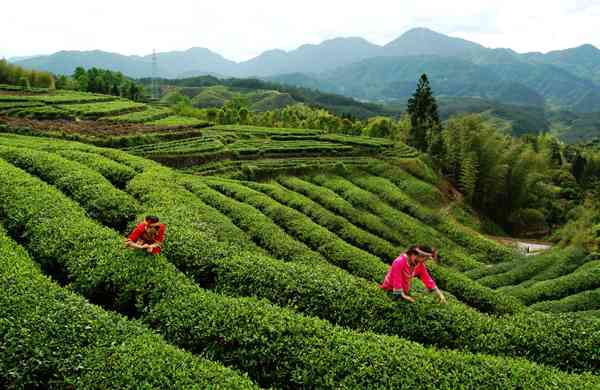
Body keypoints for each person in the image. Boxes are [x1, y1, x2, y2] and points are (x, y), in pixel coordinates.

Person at [380, 245, 447, 304]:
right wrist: (405, 296)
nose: (424, 261)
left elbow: (427, 279)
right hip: (389, 290)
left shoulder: (419, 265)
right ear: (415, 254)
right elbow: (397, 282)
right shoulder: (399, 261)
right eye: (424, 258)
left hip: (404, 292)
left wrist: (440, 295)